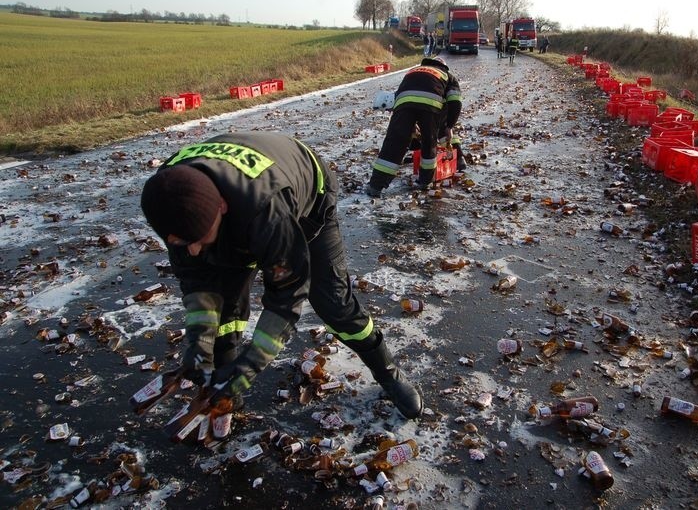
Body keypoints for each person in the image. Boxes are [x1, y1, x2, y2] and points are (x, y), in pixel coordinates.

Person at [139, 131, 424, 420]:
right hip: (234, 206)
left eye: (199, 238)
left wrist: (251, 364)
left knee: (334, 305)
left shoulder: (267, 211)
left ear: (222, 208)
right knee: (224, 308)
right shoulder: (169, 197)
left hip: (306, 200)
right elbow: (196, 279)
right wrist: (198, 343)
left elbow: (286, 297)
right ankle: (223, 398)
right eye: (181, 243)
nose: (195, 250)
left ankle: (387, 372)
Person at [365, 56, 462, 197]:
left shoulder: (413, 71)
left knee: (394, 143)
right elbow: (455, 102)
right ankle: (424, 181)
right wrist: (449, 126)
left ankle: (375, 186)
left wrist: (409, 128)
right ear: (444, 66)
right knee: (429, 144)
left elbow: (402, 94)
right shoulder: (447, 75)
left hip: (404, 105)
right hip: (431, 106)